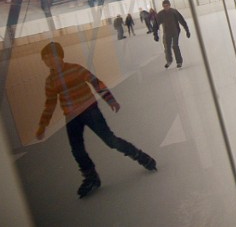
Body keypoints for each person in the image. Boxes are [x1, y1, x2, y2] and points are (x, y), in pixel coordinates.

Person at [35, 42, 156, 199]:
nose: (48, 61)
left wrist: (110, 100)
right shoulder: (50, 81)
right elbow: (50, 103)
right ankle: (91, 177)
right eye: (45, 59)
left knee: (110, 140)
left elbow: (96, 82)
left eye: (51, 57)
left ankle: (140, 156)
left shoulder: (75, 68)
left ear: (60, 56)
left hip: (90, 110)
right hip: (71, 117)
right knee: (77, 150)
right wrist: (42, 125)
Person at [153, 0, 191, 68]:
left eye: (167, 5)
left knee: (175, 46)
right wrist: (155, 34)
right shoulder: (161, 14)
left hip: (175, 32)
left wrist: (187, 30)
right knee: (167, 47)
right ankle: (169, 60)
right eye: (164, 6)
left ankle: (179, 62)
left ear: (169, 5)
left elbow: (181, 20)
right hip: (167, 33)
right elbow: (155, 24)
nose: (166, 7)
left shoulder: (174, 12)